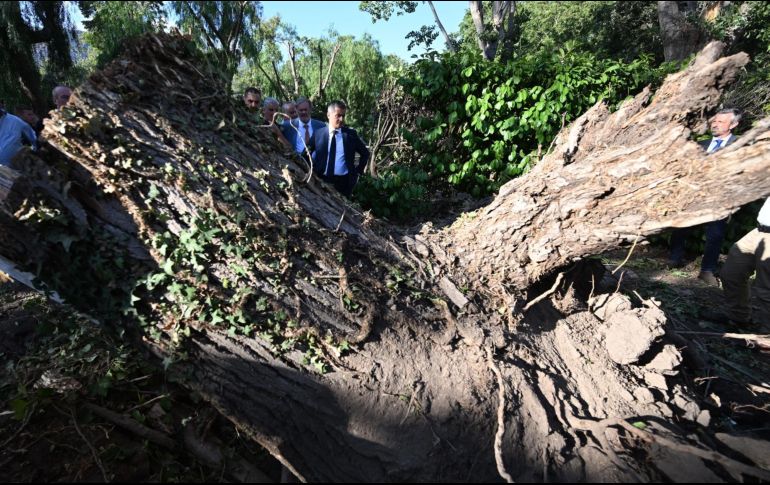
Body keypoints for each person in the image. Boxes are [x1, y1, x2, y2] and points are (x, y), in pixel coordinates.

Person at [669, 108, 741, 286]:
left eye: (721, 122)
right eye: (714, 120)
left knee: (715, 234)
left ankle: (707, 270)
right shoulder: (701, 144)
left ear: (734, 125)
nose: (715, 124)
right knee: (680, 227)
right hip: (692, 196)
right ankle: (674, 259)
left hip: (719, 199)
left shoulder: (741, 146)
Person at [720, 198, 770, 329]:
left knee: (766, 288)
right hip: (759, 230)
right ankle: (738, 317)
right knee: (731, 273)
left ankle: (767, 334)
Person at [309, 100, 369, 197]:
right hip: (321, 180)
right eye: (338, 115)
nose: (341, 119)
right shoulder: (318, 134)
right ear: (329, 115)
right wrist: (311, 170)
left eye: (343, 116)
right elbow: (306, 153)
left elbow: (365, 153)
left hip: (343, 183)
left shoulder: (350, 135)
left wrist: (357, 172)